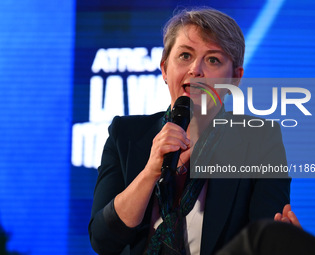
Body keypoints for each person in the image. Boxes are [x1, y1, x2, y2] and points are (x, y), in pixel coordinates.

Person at [88, 7, 293, 255]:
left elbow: (265, 238)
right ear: (165, 69)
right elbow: (103, 241)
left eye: (213, 59)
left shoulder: (259, 140)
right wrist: (151, 171)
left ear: (235, 79)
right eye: (185, 55)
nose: (196, 69)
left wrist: (282, 244)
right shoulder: (126, 134)